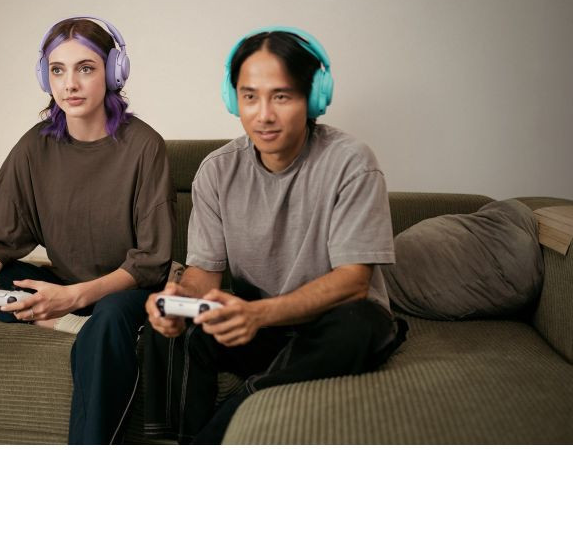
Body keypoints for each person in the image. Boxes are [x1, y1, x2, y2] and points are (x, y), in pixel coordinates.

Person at [143, 26, 408, 444]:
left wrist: (259, 315)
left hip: (332, 322)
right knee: (168, 326)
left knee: (359, 326)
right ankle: (168, 442)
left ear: (313, 98)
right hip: (260, 324)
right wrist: (177, 301)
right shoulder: (216, 170)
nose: (263, 114)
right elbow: (203, 275)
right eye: (250, 96)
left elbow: (354, 282)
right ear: (233, 99)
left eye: (281, 96)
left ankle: (231, 421)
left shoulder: (352, 163)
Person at [0, 16, 175, 444]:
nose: (69, 84)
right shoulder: (35, 146)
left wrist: (75, 298)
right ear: (45, 76)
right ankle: (60, 317)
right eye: (58, 70)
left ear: (114, 73)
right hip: (64, 284)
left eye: (85, 68)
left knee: (110, 317)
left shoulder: (145, 146)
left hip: (125, 291)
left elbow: (151, 262)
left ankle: (67, 324)